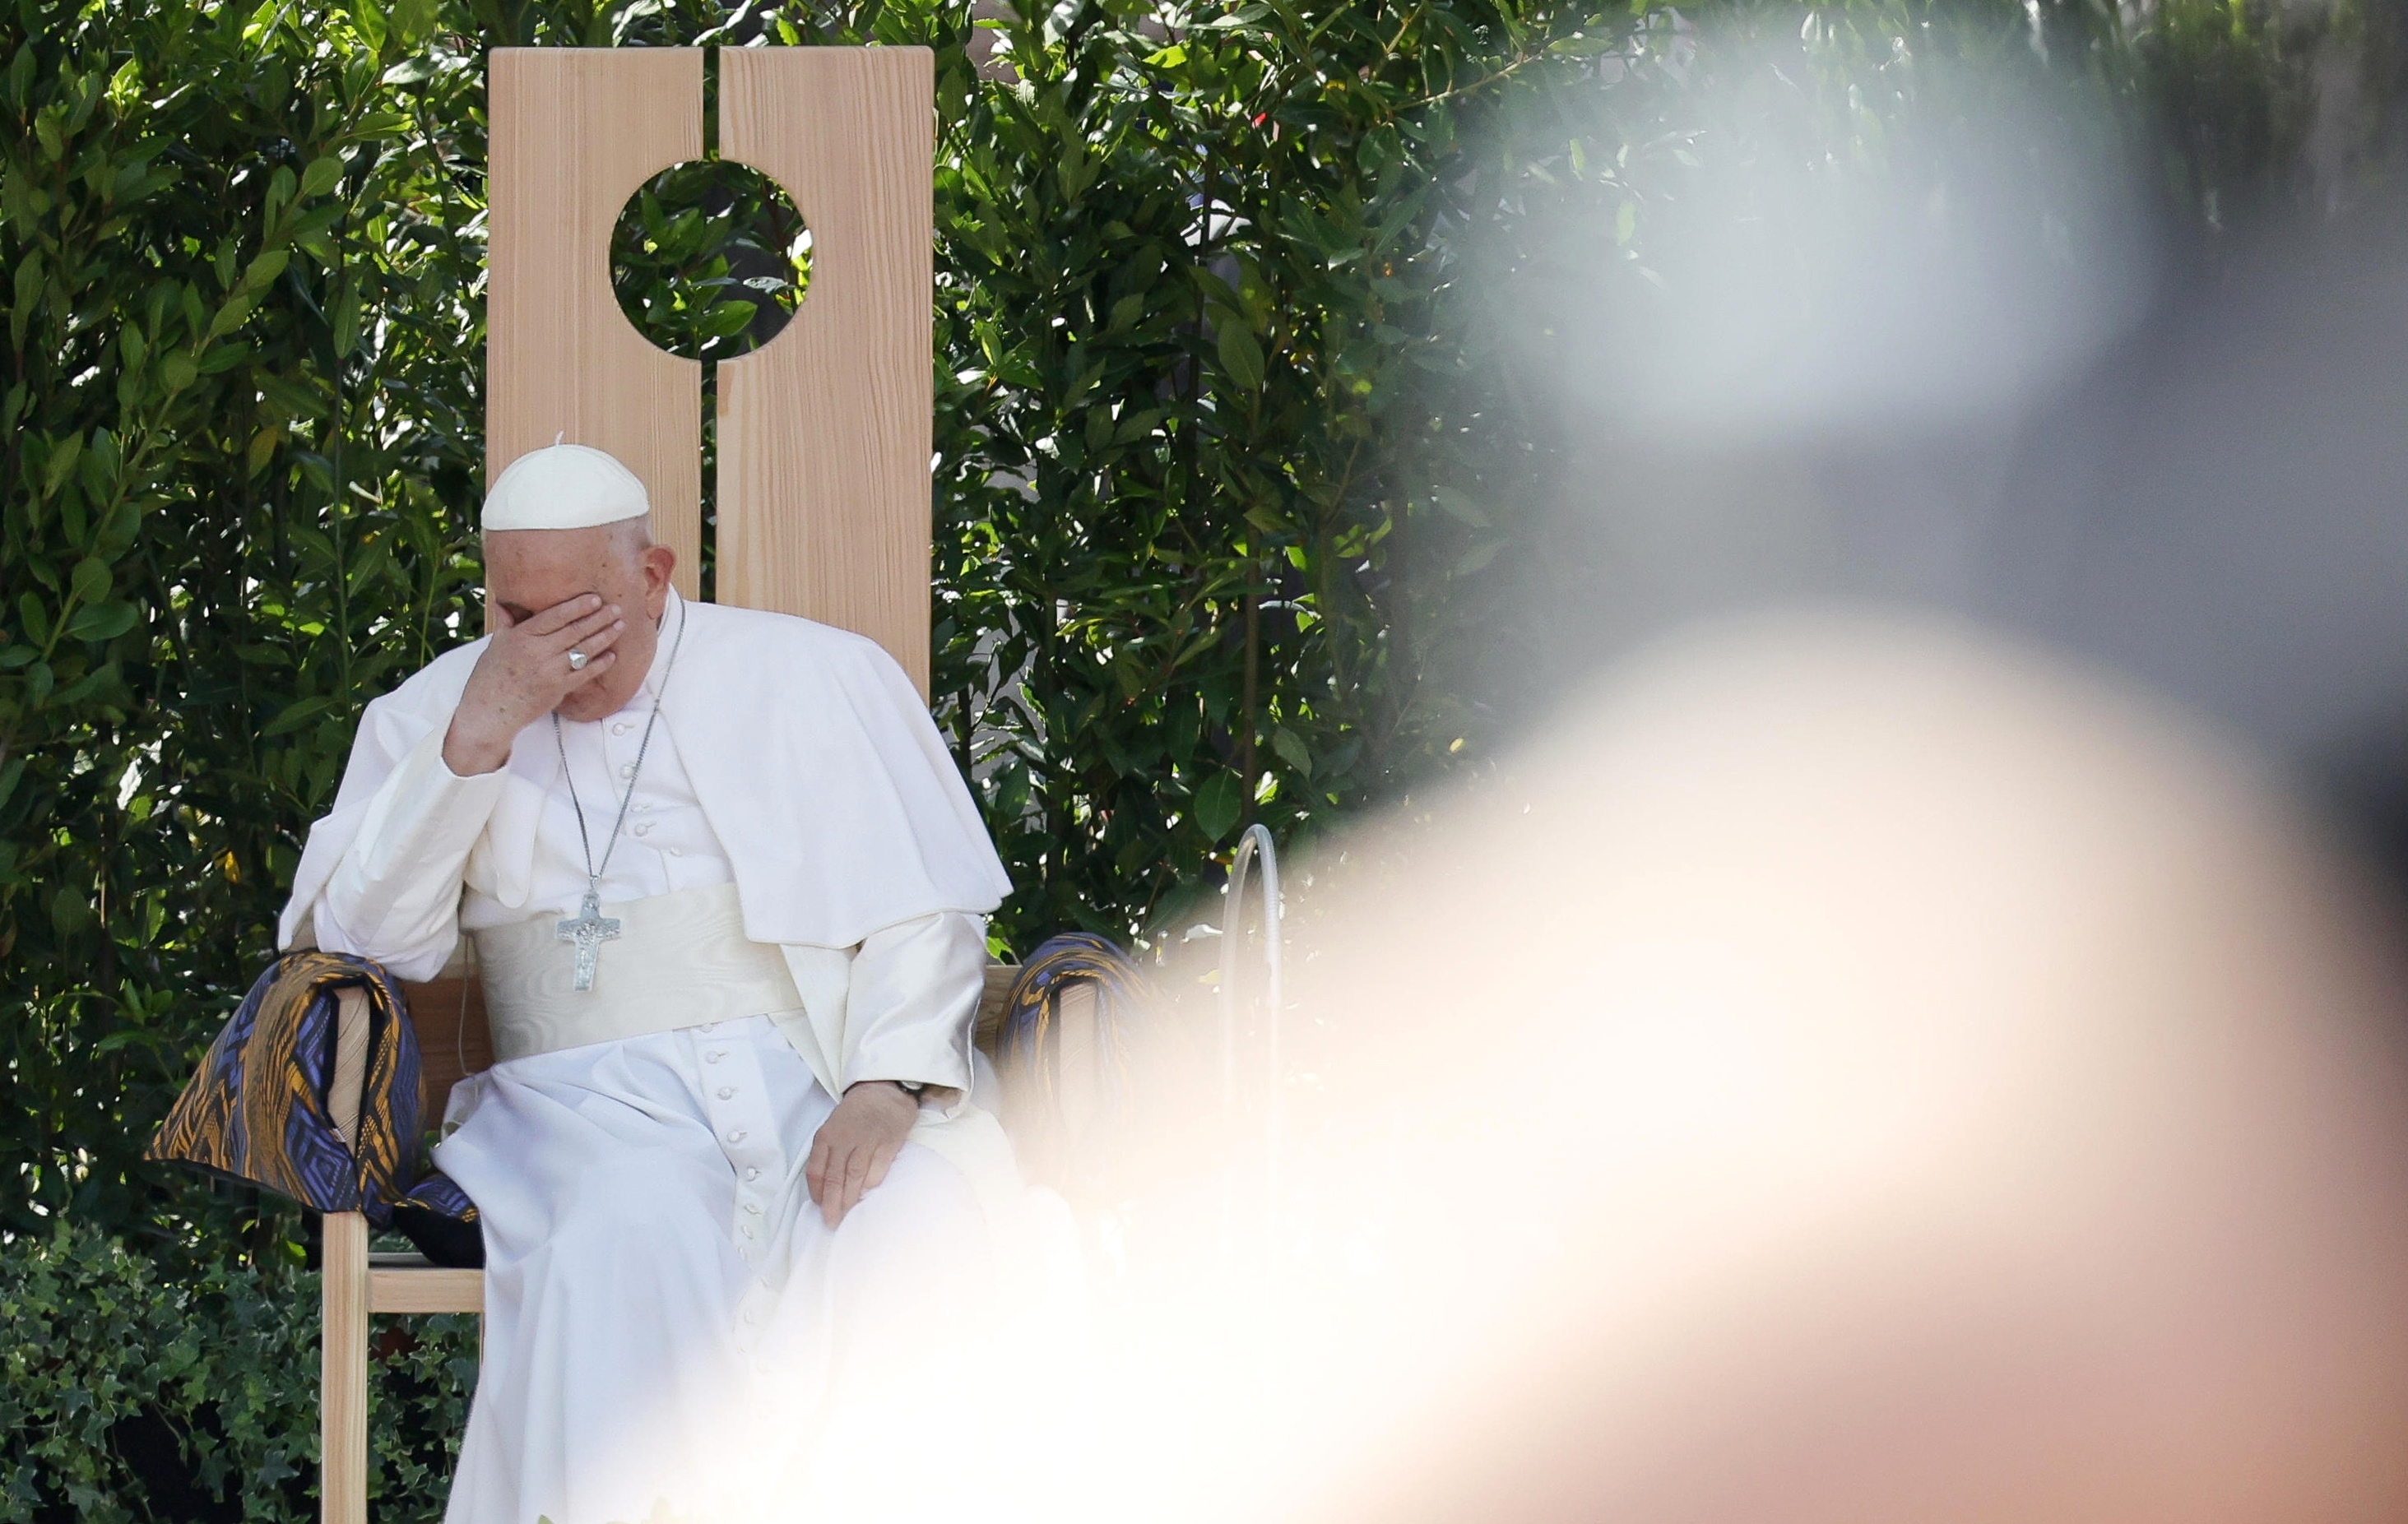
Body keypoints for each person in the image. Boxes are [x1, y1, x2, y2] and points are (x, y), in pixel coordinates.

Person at [277, 443, 1020, 1524]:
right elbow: (356, 941)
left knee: (913, 1225)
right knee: (628, 1229)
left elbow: (921, 906)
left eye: (576, 617)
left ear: (654, 573)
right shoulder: (444, 707)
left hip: (809, 1072)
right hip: (578, 1110)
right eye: (516, 615)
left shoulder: (815, 675)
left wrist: (887, 1082)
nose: (548, 655)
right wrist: (478, 735)